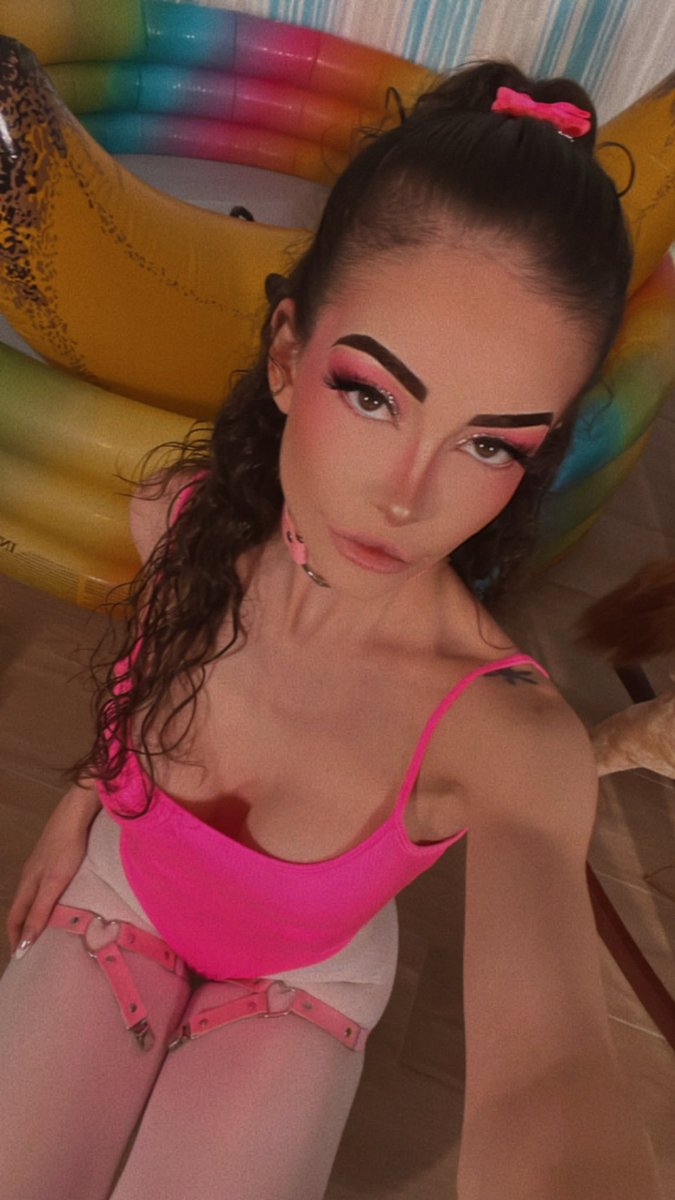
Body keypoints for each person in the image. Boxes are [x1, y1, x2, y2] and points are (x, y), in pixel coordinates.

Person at [0, 60, 664, 1200]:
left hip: (304, 984)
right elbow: (147, 660)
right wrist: (81, 805)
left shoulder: (507, 740)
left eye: (490, 444)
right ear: (286, 355)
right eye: (372, 394)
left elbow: (548, 1082)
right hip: (120, 892)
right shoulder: (183, 522)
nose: (407, 498)